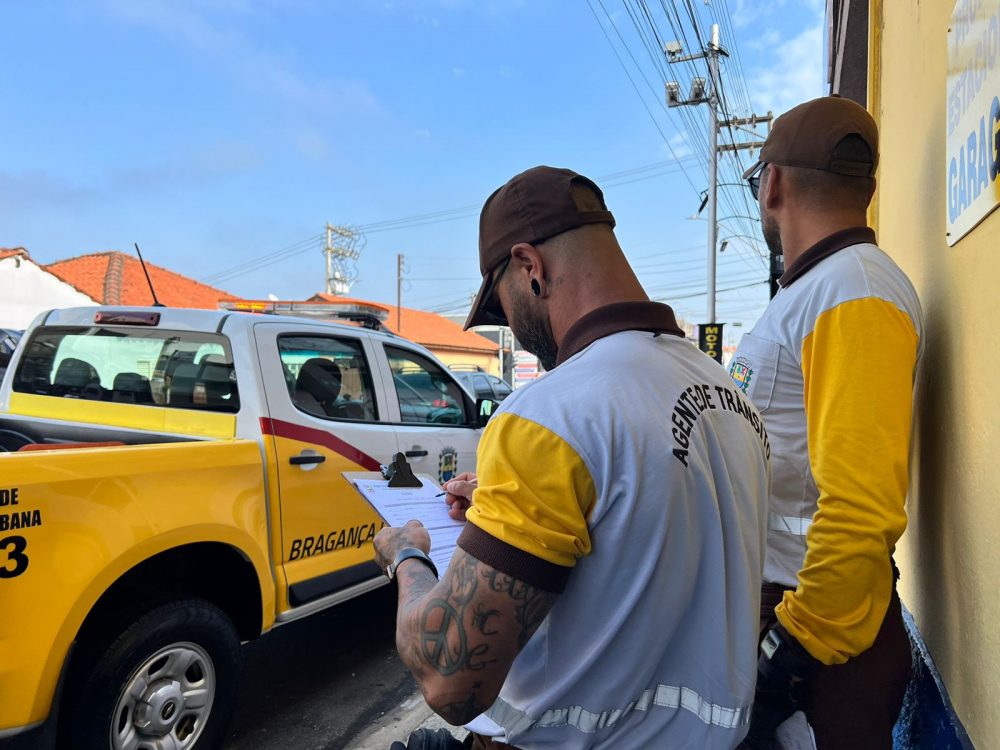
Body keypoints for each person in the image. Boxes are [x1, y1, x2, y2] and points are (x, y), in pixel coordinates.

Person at [374, 165, 771, 749]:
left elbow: (449, 678)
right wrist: (505, 509)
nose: (508, 324)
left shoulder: (549, 413)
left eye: (500, 305)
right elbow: (645, 525)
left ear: (530, 268)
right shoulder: (729, 397)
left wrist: (406, 556)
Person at [734, 96, 922, 749]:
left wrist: (783, 658)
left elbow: (860, 508)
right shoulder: (825, 290)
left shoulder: (853, 291)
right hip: (804, 620)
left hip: (818, 645)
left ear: (772, 183)